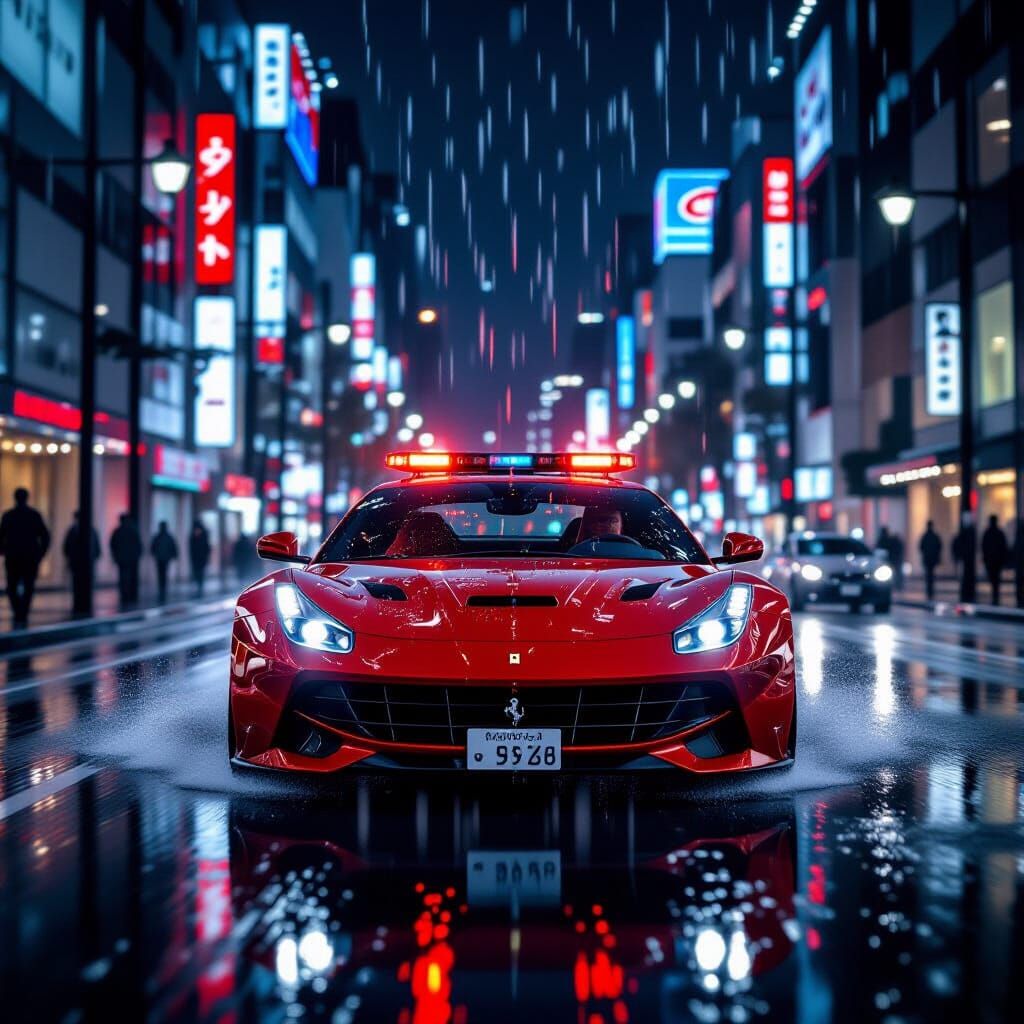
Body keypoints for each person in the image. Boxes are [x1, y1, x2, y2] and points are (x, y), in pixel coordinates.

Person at [0, 488, 51, 627]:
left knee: (12, 586)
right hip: (29, 557)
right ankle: (23, 612)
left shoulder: (9, 515)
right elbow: (45, 536)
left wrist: (4, 551)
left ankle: (18, 611)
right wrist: (40, 554)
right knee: (28, 586)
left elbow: (1, 536)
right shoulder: (34, 515)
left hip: (14, 557)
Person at [62, 511, 100, 603]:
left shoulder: (74, 530)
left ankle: (80, 600)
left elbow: (66, 547)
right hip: (79, 561)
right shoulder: (90, 530)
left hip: (79, 561)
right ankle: (81, 600)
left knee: (79, 582)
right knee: (80, 582)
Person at [110, 513, 143, 607]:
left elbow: (113, 544)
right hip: (130, 558)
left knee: (123, 576)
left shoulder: (118, 531)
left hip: (121, 558)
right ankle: (127, 595)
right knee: (128, 576)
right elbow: (138, 544)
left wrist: (115, 555)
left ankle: (124, 594)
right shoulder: (132, 530)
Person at [981, 514, 1009, 606]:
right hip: (996, 561)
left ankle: (995, 595)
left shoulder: (989, 533)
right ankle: (995, 595)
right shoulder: (998, 533)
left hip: (993, 560)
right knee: (995, 579)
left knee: (994, 578)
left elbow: (984, 547)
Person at [150, 522, 179, 603]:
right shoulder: (168, 537)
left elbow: (153, 547)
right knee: (163, 574)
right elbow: (173, 547)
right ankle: (163, 589)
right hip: (165, 559)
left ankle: (161, 589)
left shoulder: (157, 537)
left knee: (160, 574)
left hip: (160, 558)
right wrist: (174, 555)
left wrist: (154, 554)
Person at [919, 521, 942, 601]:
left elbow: (921, 547)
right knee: (931, 574)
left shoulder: (925, 536)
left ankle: (929, 591)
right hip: (932, 558)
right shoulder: (934, 536)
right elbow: (939, 547)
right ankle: (930, 591)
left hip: (927, 558)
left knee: (928, 575)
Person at [189, 520, 212, 596]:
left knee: (200, 572)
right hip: (196, 558)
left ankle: (200, 586)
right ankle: (198, 585)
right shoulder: (192, 536)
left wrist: (206, 556)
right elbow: (191, 548)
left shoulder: (204, 535)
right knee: (197, 572)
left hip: (202, 558)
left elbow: (207, 547)